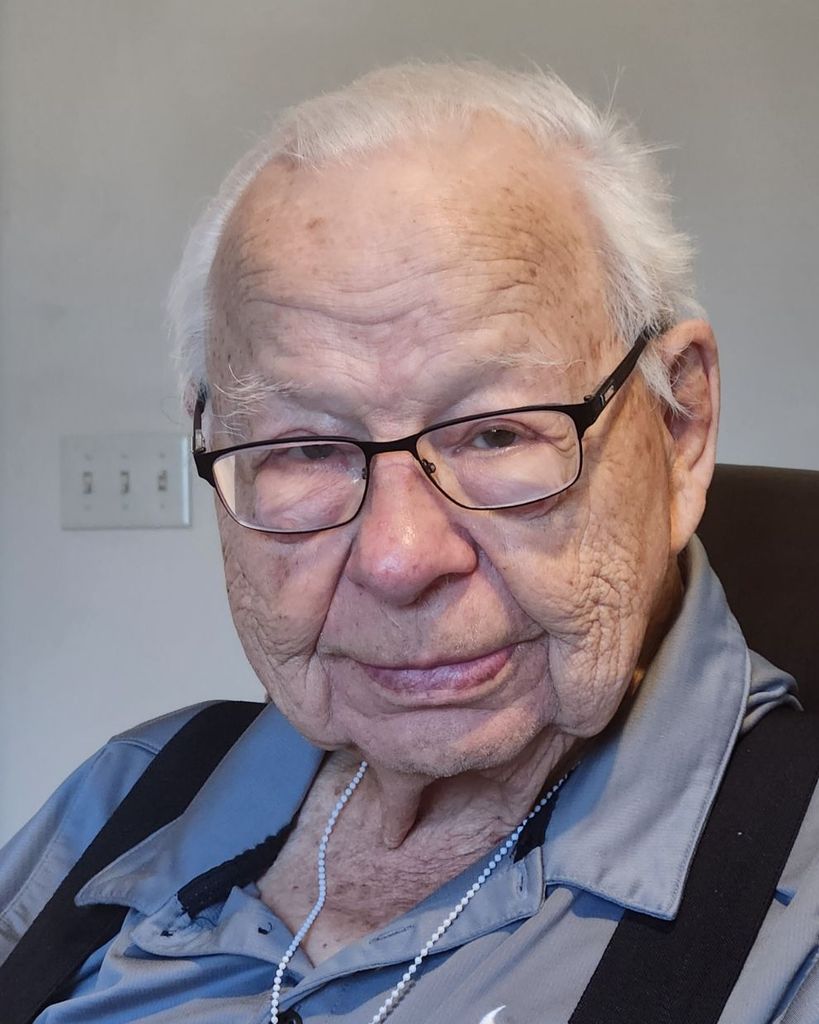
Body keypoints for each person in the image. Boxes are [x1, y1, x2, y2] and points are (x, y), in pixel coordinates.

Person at [1, 62, 817, 1024]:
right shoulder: (132, 793)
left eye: (496, 433)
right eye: (305, 448)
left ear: (679, 426)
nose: (397, 558)